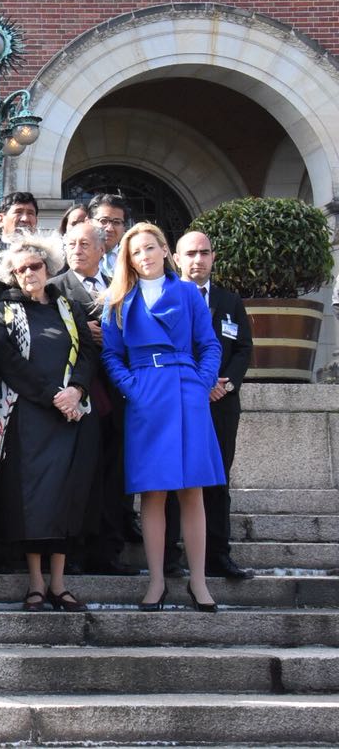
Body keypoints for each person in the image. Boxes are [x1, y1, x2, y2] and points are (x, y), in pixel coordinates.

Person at [100, 223, 225, 612]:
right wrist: (133, 388)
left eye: (150, 248)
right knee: (152, 492)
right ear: (128, 260)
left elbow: (209, 344)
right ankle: (156, 582)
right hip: (146, 393)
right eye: (136, 252)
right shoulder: (119, 300)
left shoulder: (188, 293)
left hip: (187, 391)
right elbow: (111, 354)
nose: (145, 256)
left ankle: (199, 581)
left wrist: (201, 383)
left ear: (165, 250)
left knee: (193, 490)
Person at [0, 233, 98, 612]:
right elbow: (10, 364)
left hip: (71, 417)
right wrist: (54, 395)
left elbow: (87, 353)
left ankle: (59, 584)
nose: (28, 274)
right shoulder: (2, 312)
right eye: (20, 270)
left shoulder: (69, 307)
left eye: (34, 266)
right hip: (28, 416)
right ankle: (36, 584)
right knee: (32, 501)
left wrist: (77, 390)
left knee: (65, 498)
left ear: (48, 268)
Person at [49, 221, 136, 576]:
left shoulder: (122, 286)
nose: (76, 250)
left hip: (120, 393)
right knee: (78, 476)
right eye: (70, 244)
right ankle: (74, 552)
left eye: (85, 244)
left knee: (116, 475)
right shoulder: (54, 287)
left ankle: (108, 552)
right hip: (77, 395)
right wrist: (81, 332)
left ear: (103, 249)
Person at [169, 230, 255, 580]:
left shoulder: (229, 301)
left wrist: (226, 383)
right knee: (174, 477)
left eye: (204, 253)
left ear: (213, 257)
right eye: (190, 253)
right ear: (176, 258)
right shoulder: (165, 297)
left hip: (221, 403)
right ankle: (170, 556)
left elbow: (243, 348)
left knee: (218, 479)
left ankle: (218, 555)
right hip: (178, 401)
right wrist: (197, 385)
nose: (198, 260)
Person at [89, 193, 130, 278]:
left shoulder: (133, 258)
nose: (110, 228)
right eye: (104, 221)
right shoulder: (77, 256)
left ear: (124, 227)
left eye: (117, 222)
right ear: (89, 222)